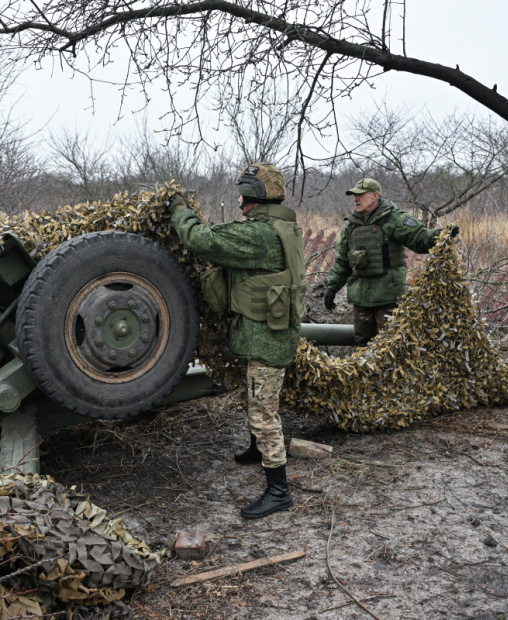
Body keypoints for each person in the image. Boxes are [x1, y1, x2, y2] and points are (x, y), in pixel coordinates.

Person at [169, 163, 306, 520]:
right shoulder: (281, 226)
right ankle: (256, 450)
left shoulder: (260, 234)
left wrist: (179, 208)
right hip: (265, 333)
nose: (239, 200)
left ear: (254, 197)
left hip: (266, 340)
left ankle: (279, 491)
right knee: (254, 398)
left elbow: (201, 240)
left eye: (243, 194)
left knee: (264, 413)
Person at [323, 178, 458, 346]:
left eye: (360, 195)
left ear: (375, 196)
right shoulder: (351, 226)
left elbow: (420, 238)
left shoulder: (393, 219)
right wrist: (332, 288)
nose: (355, 199)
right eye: (354, 196)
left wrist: (440, 234)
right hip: (361, 299)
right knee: (363, 345)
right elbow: (343, 262)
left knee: (391, 346)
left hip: (388, 298)